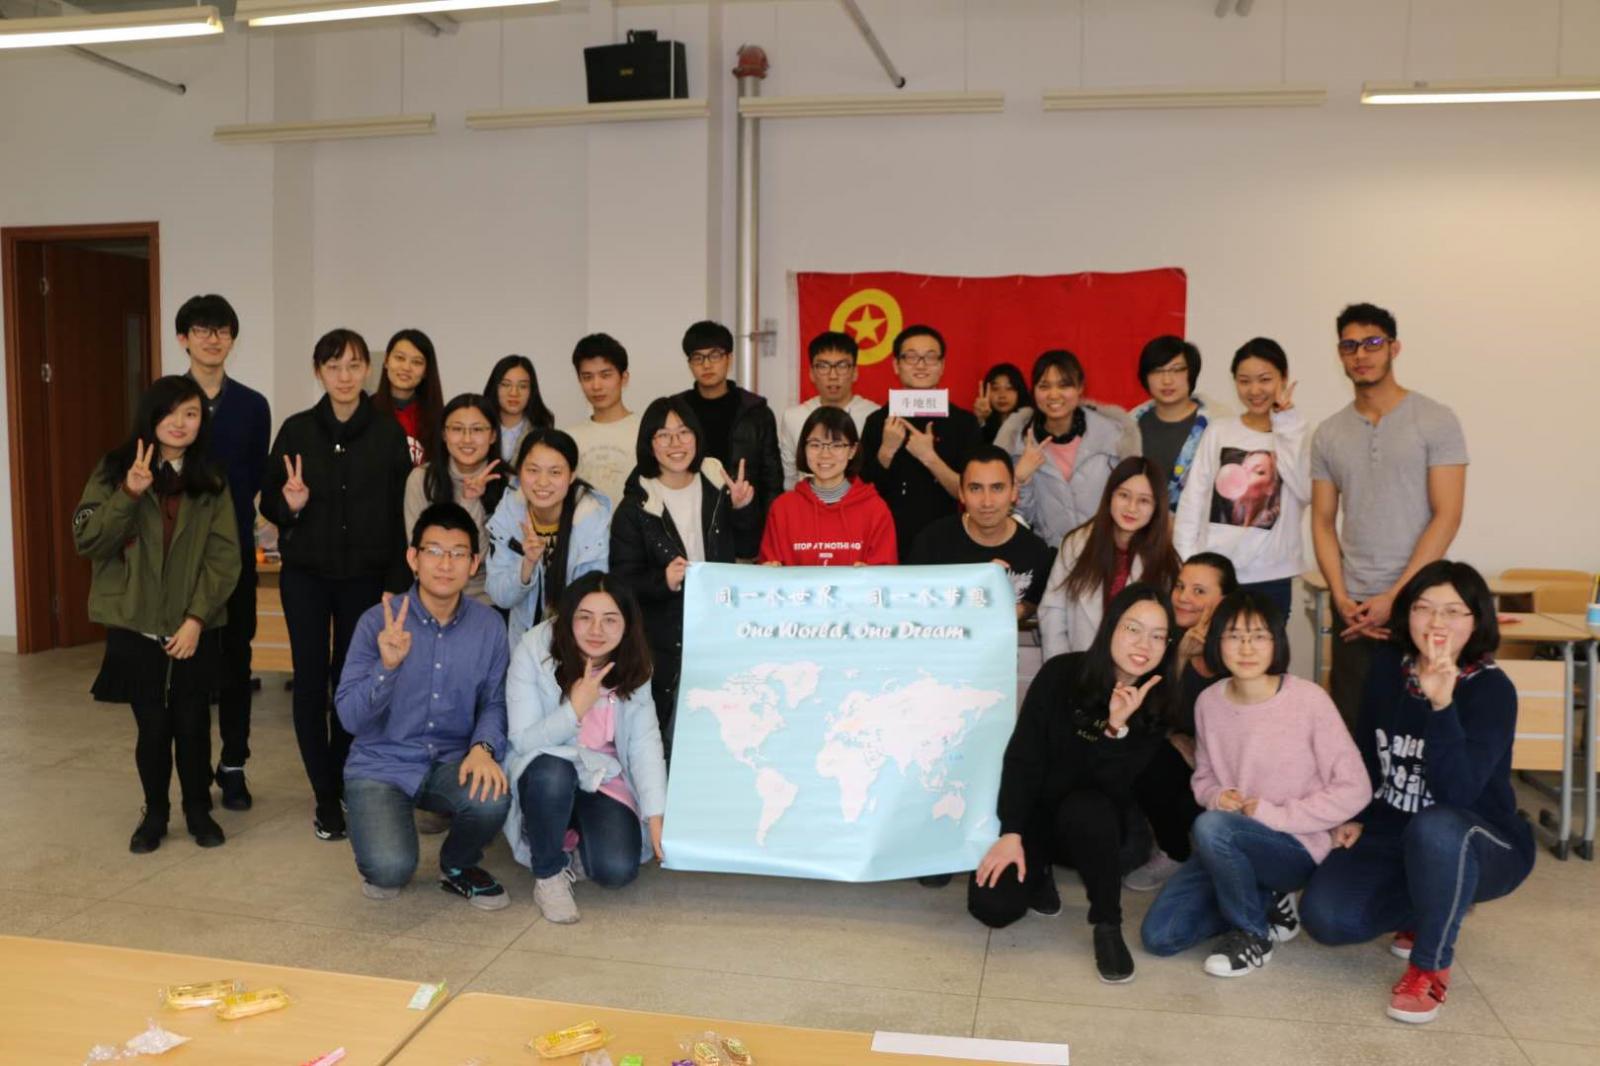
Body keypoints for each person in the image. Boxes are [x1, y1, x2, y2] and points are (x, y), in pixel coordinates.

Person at [1300, 561, 1533, 1025]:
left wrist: (1442, 705)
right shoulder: (1388, 668)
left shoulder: (1491, 690)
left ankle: (1429, 966)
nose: (1436, 622)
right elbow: (1367, 750)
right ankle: (1435, 898)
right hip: (1394, 830)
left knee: (1436, 826)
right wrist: (1354, 813)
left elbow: (1456, 793)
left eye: (1453, 611)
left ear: (1477, 621)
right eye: (1423, 608)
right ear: (1406, 615)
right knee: (1326, 919)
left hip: (1480, 838)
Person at [1140, 589, 1368, 977]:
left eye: (1259, 635)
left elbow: (1354, 787)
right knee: (1161, 936)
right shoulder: (1209, 701)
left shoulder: (1308, 699)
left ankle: (1252, 935)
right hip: (1229, 843)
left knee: (1212, 827)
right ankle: (1264, 901)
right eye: (1234, 636)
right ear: (1217, 642)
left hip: (1295, 845)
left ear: (1276, 641)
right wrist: (1217, 796)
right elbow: (1204, 776)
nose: (1246, 648)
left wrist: (1274, 815)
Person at [968, 583, 1180, 984]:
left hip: (1097, 827)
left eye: (1158, 636)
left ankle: (1107, 924)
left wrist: (1115, 728)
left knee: (1089, 806)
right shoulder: (1061, 673)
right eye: (1133, 629)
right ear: (1111, 626)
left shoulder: (1158, 702)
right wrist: (1011, 832)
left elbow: (1111, 790)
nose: (1144, 644)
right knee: (992, 908)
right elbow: (1024, 757)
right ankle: (1040, 869)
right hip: (1038, 814)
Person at [74, 376, 240, 852]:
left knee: (192, 725)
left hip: (193, 627)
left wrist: (196, 619)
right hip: (135, 624)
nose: (180, 423)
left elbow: (224, 558)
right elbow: (88, 541)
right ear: (151, 416)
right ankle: (156, 813)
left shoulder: (211, 478)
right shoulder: (114, 469)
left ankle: (198, 810)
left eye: (191, 413)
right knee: (152, 728)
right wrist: (128, 493)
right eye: (170, 413)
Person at [260, 328, 412, 841]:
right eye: (333, 366)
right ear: (318, 372)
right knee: (309, 680)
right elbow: (270, 500)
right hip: (305, 576)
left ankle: (344, 775)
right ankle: (325, 795)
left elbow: (400, 514)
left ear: (367, 370)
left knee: (351, 680)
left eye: (353, 366)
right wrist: (290, 506)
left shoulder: (388, 434)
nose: (344, 377)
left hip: (365, 579)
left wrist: (396, 579)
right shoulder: (297, 430)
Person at [334, 503, 513, 909]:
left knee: (492, 796)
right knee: (389, 871)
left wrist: (483, 748)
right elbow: (349, 717)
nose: (445, 564)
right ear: (413, 558)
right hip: (381, 764)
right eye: (433, 551)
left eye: (458, 553)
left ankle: (458, 864)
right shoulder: (376, 622)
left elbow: (494, 701)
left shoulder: (489, 626)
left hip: (451, 760)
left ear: (474, 564)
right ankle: (379, 821)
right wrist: (386, 667)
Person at [1311, 303, 1468, 726]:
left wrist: (1397, 595)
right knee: (1353, 725)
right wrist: (1340, 596)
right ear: (1340, 354)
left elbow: (1448, 515)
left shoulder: (1435, 419)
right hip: (1354, 608)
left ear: (1394, 348)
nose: (1360, 354)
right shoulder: (1328, 434)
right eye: (1349, 346)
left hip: (1421, 600)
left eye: (1372, 343)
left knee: (1419, 723)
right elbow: (1322, 521)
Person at [505, 572, 667, 924]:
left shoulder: (635, 661)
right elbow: (522, 740)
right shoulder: (534, 648)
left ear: (627, 624)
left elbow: (644, 742)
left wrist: (656, 814)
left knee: (616, 870)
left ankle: (569, 835)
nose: (597, 630)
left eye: (610, 620)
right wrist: (574, 710)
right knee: (553, 774)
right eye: (585, 617)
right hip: (546, 767)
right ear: (567, 617)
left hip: (603, 775)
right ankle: (549, 873)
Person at [609, 398, 761, 750]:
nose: (675, 444)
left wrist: (742, 509)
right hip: (664, 643)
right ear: (649, 443)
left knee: (725, 737)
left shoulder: (718, 486)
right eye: (663, 435)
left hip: (720, 633)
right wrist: (662, 581)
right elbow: (622, 583)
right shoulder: (635, 507)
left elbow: (750, 549)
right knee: (671, 739)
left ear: (697, 437)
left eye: (683, 433)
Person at [177, 294, 270, 812]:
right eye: (202, 329)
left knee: (237, 662)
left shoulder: (253, 406)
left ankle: (233, 765)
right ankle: (192, 773)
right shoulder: (166, 399)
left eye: (222, 330)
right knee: (188, 670)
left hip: (234, 556)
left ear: (232, 339)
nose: (213, 339)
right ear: (183, 338)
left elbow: (253, 477)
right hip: (179, 560)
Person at [1175, 338, 1309, 619]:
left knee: (1264, 647)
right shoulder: (1219, 431)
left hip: (1272, 577)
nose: (1255, 390)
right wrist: (1188, 560)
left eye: (1265, 379)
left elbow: (1304, 489)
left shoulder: (1297, 433)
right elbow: (1193, 499)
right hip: (1216, 574)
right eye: (1244, 381)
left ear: (1283, 378)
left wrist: (1285, 423)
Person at [1037, 457, 1181, 658]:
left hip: (1137, 668)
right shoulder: (1076, 543)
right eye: (1124, 495)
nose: (1131, 508)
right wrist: (1061, 667)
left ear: (1157, 507)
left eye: (1144, 501)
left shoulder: (1167, 560)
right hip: (1078, 664)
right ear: (1109, 496)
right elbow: (1053, 610)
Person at [859, 325, 982, 553]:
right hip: (887, 539)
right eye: (911, 357)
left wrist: (929, 457)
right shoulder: (877, 421)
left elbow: (970, 492)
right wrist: (886, 451)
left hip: (946, 540)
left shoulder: (964, 423)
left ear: (942, 366)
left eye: (930, 357)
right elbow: (862, 491)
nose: (921, 365)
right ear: (896, 365)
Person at [486, 428, 612, 649]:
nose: (542, 482)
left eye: (555, 472)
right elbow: (500, 596)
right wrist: (527, 564)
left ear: (571, 476)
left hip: (579, 643)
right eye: (533, 470)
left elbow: (592, 601)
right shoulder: (509, 513)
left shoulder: (591, 520)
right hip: (524, 644)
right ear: (519, 472)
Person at [1010, 349, 1136, 549]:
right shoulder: (1021, 444)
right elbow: (1023, 518)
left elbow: (1129, 499)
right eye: (1044, 386)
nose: (1054, 394)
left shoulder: (1112, 436)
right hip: (1052, 555)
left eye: (1064, 385)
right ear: (1033, 391)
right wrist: (1021, 479)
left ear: (1080, 388)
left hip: (1105, 551)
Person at [908, 446, 1052, 621]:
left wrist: (1019, 611)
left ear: (1014, 492)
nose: (987, 502)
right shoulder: (931, 543)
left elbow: (1034, 604)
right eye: (975, 488)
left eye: (997, 488)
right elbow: (910, 606)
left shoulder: (1036, 552)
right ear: (961, 493)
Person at [759, 406, 897, 566]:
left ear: (852, 451)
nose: (825, 454)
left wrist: (871, 575)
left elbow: (885, 574)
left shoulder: (875, 509)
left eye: (836, 445)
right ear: (804, 448)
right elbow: (769, 570)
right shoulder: (783, 508)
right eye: (815, 445)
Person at [404, 394, 506, 606]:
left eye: (477, 430)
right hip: (433, 597)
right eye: (457, 429)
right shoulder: (422, 479)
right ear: (444, 434)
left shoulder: (510, 484)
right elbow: (419, 555)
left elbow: (477, 558)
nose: (467, 439)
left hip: (489, 600)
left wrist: (471, 501)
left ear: (493, 435)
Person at [677, 320, 783, 523]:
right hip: (690, 518)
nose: (706, 364)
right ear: (690, 363)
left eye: (715, 355)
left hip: (745, 517)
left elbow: (772, 480)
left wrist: (771, 526)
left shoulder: (757, 412)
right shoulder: (677, 410)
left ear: (729, 359)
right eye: (698, 357)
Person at [778, 331, 881, 490]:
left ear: (855, 372)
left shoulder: (874, 416)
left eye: (842, 366)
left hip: (860, 502)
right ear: (811, 373)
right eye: (823, 366)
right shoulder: (793, 417)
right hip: (808, 502)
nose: (833, 375)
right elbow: (789, 477)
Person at [1130, 336, 1213, 511]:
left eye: (1176, 370)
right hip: (1139, 523)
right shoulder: (1129, 426)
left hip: (1196, 525)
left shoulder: (1215, 426)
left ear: (1191, 373)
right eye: (1157, 371)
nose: (1167, 380)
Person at [566, 333, 641, 508]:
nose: (596, 386)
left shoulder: (645, 430)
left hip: (634, 525)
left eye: (605, 375)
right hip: (583, 525)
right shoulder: (569, 438)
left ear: (624, 378)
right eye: (587, 377)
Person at [371, 329, 444, 467]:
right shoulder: (365, 411)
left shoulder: (439, 419)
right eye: (400, 358)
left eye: (416, 362)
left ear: (426, 371)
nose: (406, 367)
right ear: (386, 361)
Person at [482, 354, 556, 470]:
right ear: (494, 387)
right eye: (506, 385)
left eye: (522, 386)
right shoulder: (479, 427)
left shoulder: (542, 430)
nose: (514, 393)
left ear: (531, 391)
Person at [972, 362, 1031, 446]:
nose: (1002, 395)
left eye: (1009, 388)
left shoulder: (1030, 422)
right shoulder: (984, 425)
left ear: (1020, 391)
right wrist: (980, 420)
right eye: (995, 388)